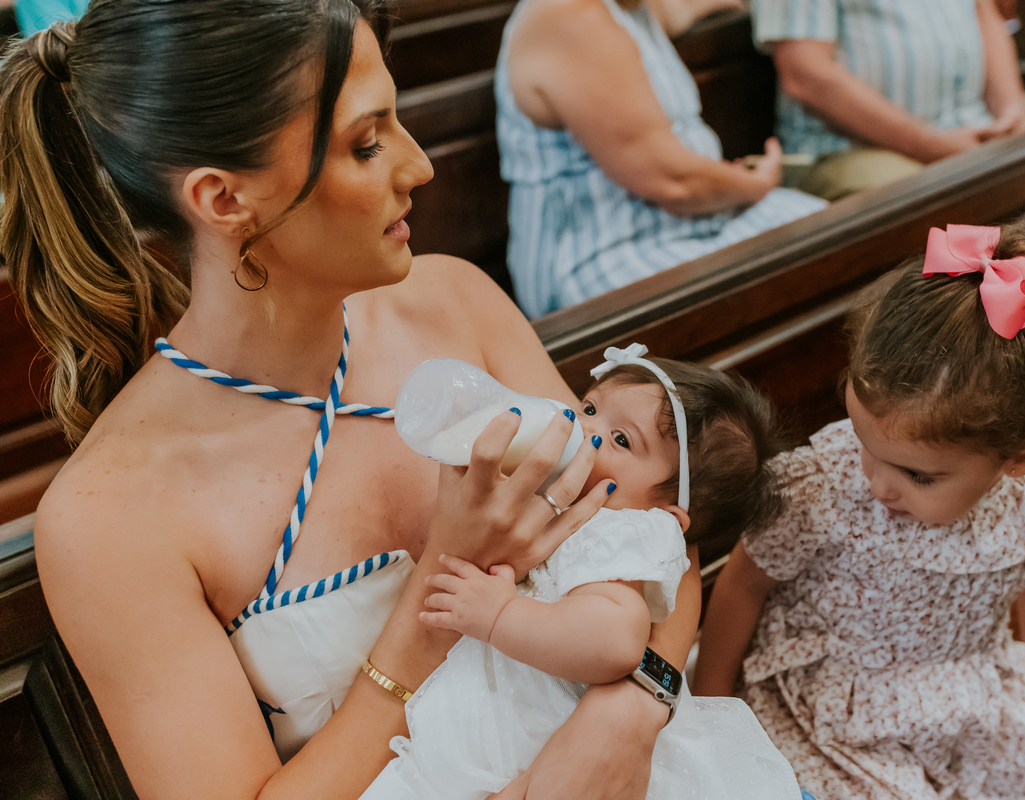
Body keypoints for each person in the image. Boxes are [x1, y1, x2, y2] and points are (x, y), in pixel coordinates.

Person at [0, 2, 703, 798]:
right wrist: (446, 576)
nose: (418, 166)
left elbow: (656, 532)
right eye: (366, 144)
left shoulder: (456, 305)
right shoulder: (111, 514)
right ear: (224, 199)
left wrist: (635, 706)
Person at [693, 222, 1025, 798]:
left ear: (1021, 459)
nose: (877, 485)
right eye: (864, 444)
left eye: (917, 475)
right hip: (832, 704)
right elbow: (742, 585)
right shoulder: (824, 486)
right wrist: (710, 714)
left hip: (964, 683)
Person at [360, 346, 810, 799]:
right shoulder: (570, 506)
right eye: (589, 407)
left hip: (553, 742)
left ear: (667, 515)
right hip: (497, 738)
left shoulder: (624, 530)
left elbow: (615, 640)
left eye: (621, 440)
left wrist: (499, 615)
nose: (584, 430)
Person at [496, 0, 827, 318]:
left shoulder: (631, 6)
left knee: (823, 229)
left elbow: (681, 7)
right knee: (810, 256)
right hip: (604, 258)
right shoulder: (571, 15)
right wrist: (758, 182)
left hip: (692, 223)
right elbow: (673, 183)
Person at [750, 0, 1025, 200]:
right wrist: (933, 146)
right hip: (848, 151)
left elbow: (985, 12)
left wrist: (1011, 109)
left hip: (971, 128)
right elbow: (807, 76)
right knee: (922, 200)